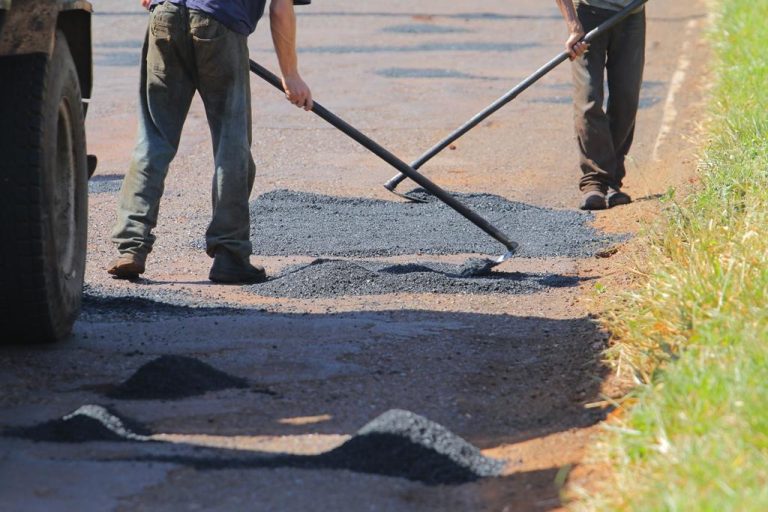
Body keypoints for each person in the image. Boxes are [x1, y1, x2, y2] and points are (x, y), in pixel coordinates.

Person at [109, 0, 313, 283]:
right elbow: (280, 8)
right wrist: (290, 74)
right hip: (220, 24)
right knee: (231, 142)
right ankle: (230, 254)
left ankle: (131, 247)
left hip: (166, 14)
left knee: (154, 138)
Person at [555, 0, 646, 210]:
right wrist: (573, 25)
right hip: (589, 16)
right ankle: (594, 182)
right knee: (588, 99)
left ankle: (612, 180)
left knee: (626, 98)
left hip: (632, 14)